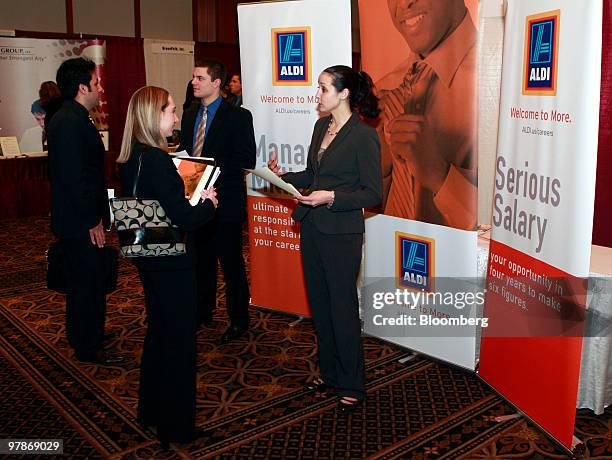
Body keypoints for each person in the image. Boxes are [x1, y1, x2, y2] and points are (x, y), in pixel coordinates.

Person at [268, 65, 382, 411]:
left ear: (343, 93)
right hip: (313, 227)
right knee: (320, 305)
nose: (317, 95)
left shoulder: (363, 136)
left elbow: (372, 193)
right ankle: (330, 373)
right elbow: (314, 174)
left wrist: (331, 196)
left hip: (342, 234)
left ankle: (353, 383)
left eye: (323, 88)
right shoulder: (321, 126)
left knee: (342, 308)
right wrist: (283, 175)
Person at [117, 86, 218, 445]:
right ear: (153, 116)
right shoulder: (158, 160)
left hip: (149, 258)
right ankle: (177, 426)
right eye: (171, 111)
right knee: (178, 343)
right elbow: (184, 218)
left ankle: (151, 411)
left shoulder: (131, 157)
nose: (176, 117)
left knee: (159, 334)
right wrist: (208, 203)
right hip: (172, 261)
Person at [378, 0, 477, 230]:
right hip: (390, 259)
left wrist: (440, 176)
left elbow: (520, 235)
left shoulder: (501, 87)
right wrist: (380, 164)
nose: (403, 3)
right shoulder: (385, 88)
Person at [47, 58, 119, 364]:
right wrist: (93, 220)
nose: (99, 88)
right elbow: (76, 178)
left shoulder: (74, 116)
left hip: (81, 216)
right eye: (96, 83)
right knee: (86, 282)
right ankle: (87, 345)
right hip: (80, 221)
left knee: (86, 279)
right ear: (82, 87)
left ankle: (87, 333)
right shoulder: (68, 121)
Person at [179, 59, 256, 343]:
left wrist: (208, 168)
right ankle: (203, 311)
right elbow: (186, 152)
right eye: (193, 77)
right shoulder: (189, 114)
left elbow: (247, 158)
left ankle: (239, 319)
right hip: (196, 201)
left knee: (231, 263)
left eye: (199, 78)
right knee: (200, 260)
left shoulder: (238, 116)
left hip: (226, 201)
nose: (194, 82)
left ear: (216, 83)